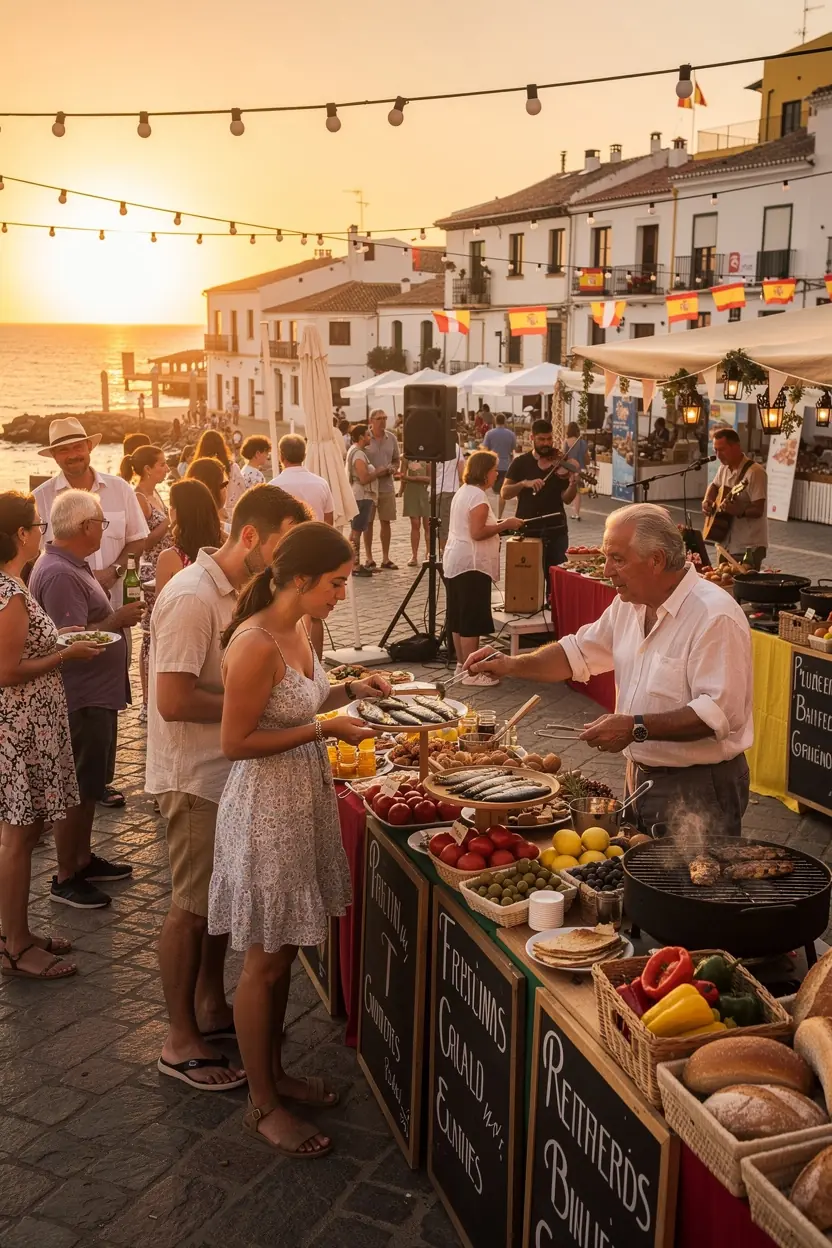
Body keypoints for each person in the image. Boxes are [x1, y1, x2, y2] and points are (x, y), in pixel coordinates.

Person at [209, 522, 392, 1154]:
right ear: (299, 579)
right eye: (337, 583)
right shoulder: (256, 641)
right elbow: (235, 744)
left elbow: (302, 702)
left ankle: (276, 1073)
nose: (344, 592)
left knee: (283, 951)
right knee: (262, 961)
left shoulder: (302, 629)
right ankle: (262, 1104)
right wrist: (324, 730)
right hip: (266, 811)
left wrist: (349, 689)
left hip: (299, 801)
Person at [147, 484, 309, 1090]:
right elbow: (172, 699)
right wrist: (256, 701)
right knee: (190, 909)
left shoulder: (244, 590)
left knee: (215, 905)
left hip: (228, 771)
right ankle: (178, 1038)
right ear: (250, 537)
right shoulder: (191, 596)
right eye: (284, 544)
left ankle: (212, 1009)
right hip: (197, 775)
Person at [466, 504, 754, 836]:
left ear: (656, 560)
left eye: (617, 559)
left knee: (693, 884)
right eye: (606, 558)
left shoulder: (714, 616)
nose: (606, 570)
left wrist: (636, 727)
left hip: (700, 786)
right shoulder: (628, 605)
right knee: (641, 878)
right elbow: (575, 654)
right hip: (640, 775)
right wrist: (509, 664)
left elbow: (718, 715)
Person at [0, 492, 103, 980]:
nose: (42, 531)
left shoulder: (11, 584)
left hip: (25, 725)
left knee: (23, 833)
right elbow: (8, 670)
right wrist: (65, 655)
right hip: (21, 728)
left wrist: (59, 644)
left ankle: (14, 931)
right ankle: (16, 946)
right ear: (21, 534)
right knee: (19, 838)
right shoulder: (10, 592)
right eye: (37, 525)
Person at [29, 490, 141, 908]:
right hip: (81, 697)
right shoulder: (60, 573)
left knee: (90, 784)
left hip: (96, 692)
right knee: (75, 788)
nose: (103, 531)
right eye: (101, 523)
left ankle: (81, 858)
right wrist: (119, 619)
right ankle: (65, 876)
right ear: (83, 527)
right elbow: (70, 639)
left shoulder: (73, 566)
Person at [34, 418, 149, 614]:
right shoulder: (40, 497)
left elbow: (138, 540)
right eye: (64, 450)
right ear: (54, 455)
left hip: (117, 607)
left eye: (78, 447)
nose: (72, 455)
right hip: (64, 610)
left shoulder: (120, 489)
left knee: (120, 646)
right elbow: (33, 556)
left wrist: (113, 572)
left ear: (89, 447)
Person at [444, 450, 524, 685]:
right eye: (493, 469)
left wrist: (501, 524)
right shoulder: (477, 496)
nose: (496, 474)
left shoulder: (464, 492)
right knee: (471, 618)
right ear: (484, 472)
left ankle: (461, 666)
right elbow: (477, 532)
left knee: (458, 617)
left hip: (457, 561)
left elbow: (476, 526)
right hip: (472, 564)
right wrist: (506, 524)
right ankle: (472, 672)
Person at [126, 446, 173, 720]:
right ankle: (146, 702)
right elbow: (143, 543)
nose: (166, 469)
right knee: (149, 636)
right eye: (162, 464)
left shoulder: (155, 494)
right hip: (150, 573)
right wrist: (169, 522)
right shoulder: (139, 498)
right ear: (147, 469)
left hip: (166, 568)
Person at [501, 418, 577, 589]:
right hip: (528, 528)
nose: (546, 443)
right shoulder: (520, 463)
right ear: (532, 438)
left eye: (549, 439)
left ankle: (553, 610)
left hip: (556, 529)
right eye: (541, 439)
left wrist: (573, 484)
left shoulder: (560, 461)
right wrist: (523, 484)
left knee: (555, 580)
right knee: (528, 581)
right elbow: (504, 493)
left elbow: (567, 498)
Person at [702, 428, 768, 569]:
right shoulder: (723, 468)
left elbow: (758, 509)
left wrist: (740, 511)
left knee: (744, 588)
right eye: (715, 450)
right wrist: (707, 500)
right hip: (725, 543)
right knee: (723, 585)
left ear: (736, 447)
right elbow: (714, 485)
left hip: (748, 546)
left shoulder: (755, 472)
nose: (718, 455)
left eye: (722, 450)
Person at [154, 479, 223, 598]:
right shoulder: (225, 547)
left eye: (171, 505)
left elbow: (160, 607)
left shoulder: (170, 558)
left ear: (178, 511)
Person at [363, 410, 400, 569]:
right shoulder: (365, 438)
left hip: (386, 485)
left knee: (386, 521)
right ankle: (369, 558)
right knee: (368, 522)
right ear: (371, 420)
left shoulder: (391, 438)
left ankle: (386, 558)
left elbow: (396, 459)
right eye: (379, 418)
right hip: (370, 487)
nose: (383, 421)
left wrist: (392, 468)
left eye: (385, 418)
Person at [346, 424, 383, 576]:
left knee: (356, 530)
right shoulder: (359, 454)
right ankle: (355, 565)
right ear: (361, 437)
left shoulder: (355, 451)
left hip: (359, 495)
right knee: (357, 531)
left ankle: (352, 562)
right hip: (361, 496)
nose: (370, 438)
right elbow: (363, 478)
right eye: (368, 435)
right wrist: (378, 472)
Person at [271, 435, 334, 524]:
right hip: (317, 536)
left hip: (288, 537)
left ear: (281, 457)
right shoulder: (321, 484)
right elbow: (328, 518)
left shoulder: (273, 487)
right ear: (304, 456)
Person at [193, 429, 247, 514]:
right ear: (222, 446)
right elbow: (242, 491)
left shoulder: (197, 469)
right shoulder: (232, 467)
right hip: (231, 515)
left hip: (204, 515)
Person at [483, 414, 517, 519]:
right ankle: (499, 516)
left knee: (486, 491)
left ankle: (488, 515)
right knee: (502, 493)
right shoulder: (511, 434)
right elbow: (513, 449)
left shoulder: (489, 434)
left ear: (495, 421)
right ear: (505, 421)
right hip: (506, 465)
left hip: (492, 466)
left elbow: (485, 449)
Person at [399, 455, 430, 566]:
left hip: (425, 491)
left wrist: (411, 479)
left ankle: (428, 553)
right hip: (411, 491)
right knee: (415, 524)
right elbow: (402, 476)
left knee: (428, 525)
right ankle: (414, 555)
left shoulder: (428, 457)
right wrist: (401, 490)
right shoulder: (407, 457)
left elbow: (430, 478)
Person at [437, 435, 466, 553]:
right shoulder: (456, 448)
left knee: (437, 524)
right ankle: (444, 551)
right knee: (447, 524)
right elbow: (461, 470)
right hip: (449, 489)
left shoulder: (435, 447)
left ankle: (439, 550)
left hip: (435, 490)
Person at [187, 457, 229, 528]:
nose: (226, 489)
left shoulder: (190, 520)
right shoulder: (205, 528)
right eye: (223, 485)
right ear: (209, 490)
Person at [563, 421, 589, 521]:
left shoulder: (566, 442)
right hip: (580, 469)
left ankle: (572, 511)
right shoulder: (582, 442)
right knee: (577, 491)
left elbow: (564, 457)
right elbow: (586, 458)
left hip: (569, 469)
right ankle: (576, 513)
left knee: (569, 489)